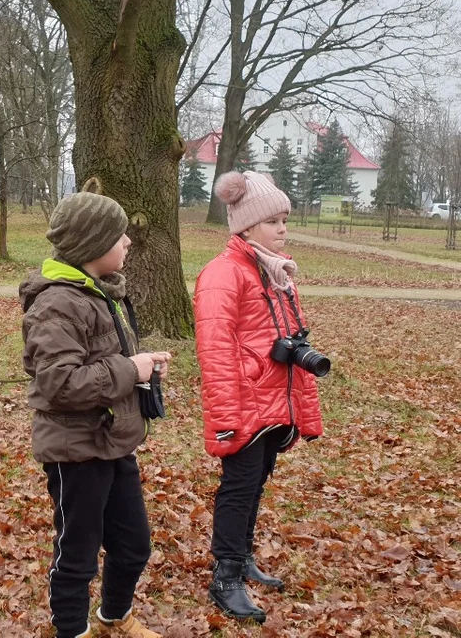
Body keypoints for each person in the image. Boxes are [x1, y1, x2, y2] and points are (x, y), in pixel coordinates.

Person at [19, 189, 172, 638]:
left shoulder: (101, 293)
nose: (128, 242)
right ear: (92, 244)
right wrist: (130, 368)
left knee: (133, 546)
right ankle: (70, 630)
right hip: (75, 452)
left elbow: (100, 364)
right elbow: (60, 384)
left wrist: (140, 369)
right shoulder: (57, 303)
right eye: (118, 235)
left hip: (113, 441)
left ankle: (114, 619)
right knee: (77, 555)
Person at [193, 171, 325, 624]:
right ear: (246, 226)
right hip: (246, 404)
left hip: (275, 402)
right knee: (238, 487)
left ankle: (242, 557)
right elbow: (215, 351)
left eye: (285, 218)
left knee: (256, 485)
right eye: (273, 220)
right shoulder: (223, 273)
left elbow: (288, 338)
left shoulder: (275, 272)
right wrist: (228, 415)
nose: (283, 228)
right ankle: (225, 575)